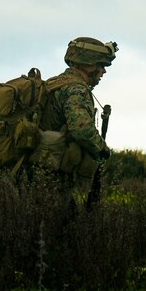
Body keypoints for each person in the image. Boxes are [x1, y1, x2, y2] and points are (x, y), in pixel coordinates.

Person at [31, 37, 117, 187]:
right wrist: (103, 149)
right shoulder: (76, 89)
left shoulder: (52, 83)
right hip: (54, 174)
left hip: (37, 165)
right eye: (101, 65)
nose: (103, 71)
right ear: (89, 65)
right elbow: (81, 129)